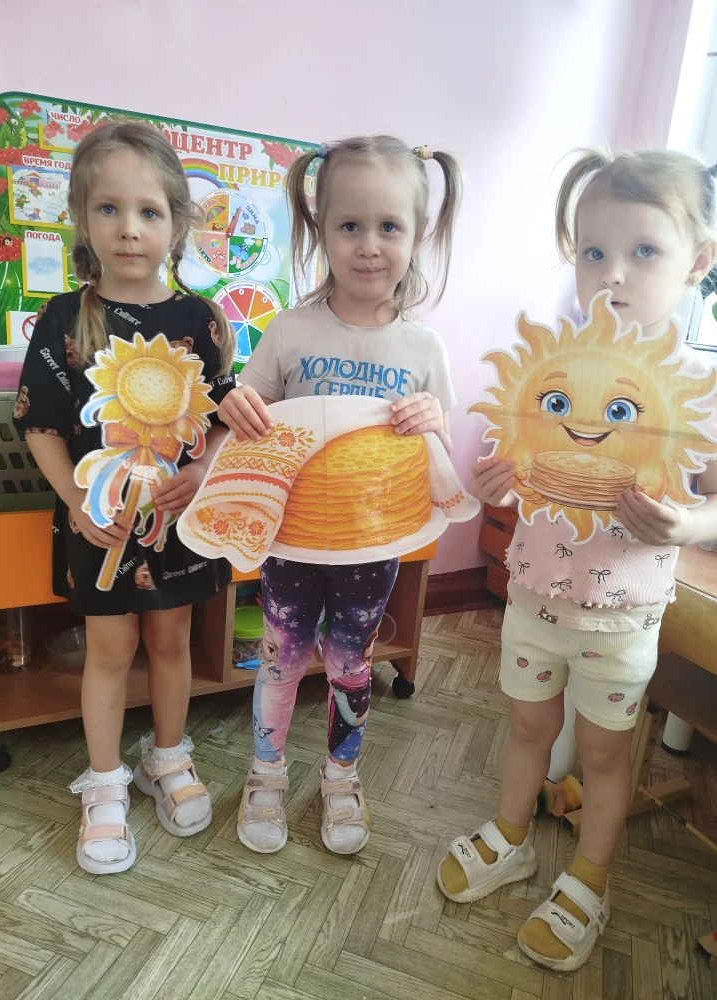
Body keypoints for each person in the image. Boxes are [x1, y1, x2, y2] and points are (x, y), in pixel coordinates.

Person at [437, 150, 717, 971]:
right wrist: (492, 478)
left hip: (622, 621)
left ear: (697, 260)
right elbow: (514, 464)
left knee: (601, 755)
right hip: (533, 600)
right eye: (594, 251)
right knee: (527, 726)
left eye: (644, 251)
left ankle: (591, 880)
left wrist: (688, 523)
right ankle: (511, 835)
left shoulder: (696, 388)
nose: (613, 273)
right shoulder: (550, 366)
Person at [218, 135, 462, 854]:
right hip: (292, 540)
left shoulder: (423, 348)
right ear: (319, 228)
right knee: (280, 658)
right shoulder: (290, 330)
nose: (368, 245)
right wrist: (235, 405)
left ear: (418, 234)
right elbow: (247, 416)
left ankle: (340, 776)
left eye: (389, 226)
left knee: (353, 665)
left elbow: (440, 449)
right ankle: (266, 772)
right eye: (349, 225)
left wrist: (432, 420)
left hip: (371, 545)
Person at [14, 120, 237, 874]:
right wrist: (76, 505)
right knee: (110, 650)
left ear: (177, 222)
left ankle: (166, 757)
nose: (129, 228)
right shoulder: (63, 319)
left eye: (148, 211)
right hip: (99, 525)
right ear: (82, 219)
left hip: (178, 520)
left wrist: (203, 473)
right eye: (108, 208)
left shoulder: (203, 320)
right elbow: (40, 425)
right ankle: (106, 781)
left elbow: (225, 417)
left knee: (172, 640)